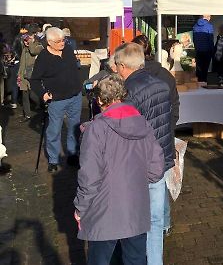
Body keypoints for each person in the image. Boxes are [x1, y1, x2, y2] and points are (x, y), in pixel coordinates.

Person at [74, 74, 164, 265]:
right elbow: (156, 170)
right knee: (136, 260)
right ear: (122, 95)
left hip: (104, 210)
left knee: (101, 260)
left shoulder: (96, 129)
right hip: (136, 209)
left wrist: (80, 208)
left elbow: (89, 177)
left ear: (99, 100)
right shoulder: (143, 123)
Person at [114, 42, 172, 265]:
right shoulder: (161, 84)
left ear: (122, 66)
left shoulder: (128, 91)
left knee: (135, 221)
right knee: (156, 220)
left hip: (138, 163)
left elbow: (124, 131)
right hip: (161, 158)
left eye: (117, 66)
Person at [132, 34, 180, 235]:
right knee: (160, 184)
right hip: (164, 135)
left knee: (146, 184)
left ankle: (149, 223)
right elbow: (175, 106)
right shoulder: (166, 75)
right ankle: (165, 224)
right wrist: (169, 125)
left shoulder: (135, 80)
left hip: (143, 138)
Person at [30, 27, 82, 172]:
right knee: (54, 130)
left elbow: (75, 69)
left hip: (75, 96)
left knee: (74, 128)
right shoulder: (43, 57)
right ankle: (53, 159)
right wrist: (43, 94)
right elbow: (34, 80)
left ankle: (72, 154)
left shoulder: (68, 50)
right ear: (49, 42)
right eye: (58, 41)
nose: (62, 43)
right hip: (57, 100)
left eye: (63, 39)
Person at [18, 33, 43, 120]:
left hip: (33, 75)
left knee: (33, 95)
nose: (26, 42)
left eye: (27, 40)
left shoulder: (39, 46)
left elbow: (33, 51)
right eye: (24, 40)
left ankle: (43, 106)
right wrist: (19, 75)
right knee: (24, 95)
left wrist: (31, 42)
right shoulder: (24, 49)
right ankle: (27, 114)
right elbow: (22, 63)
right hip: (24, 75)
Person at [192, 14, 214, 82]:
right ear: (208, 17)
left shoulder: (195, 26)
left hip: (198, 50)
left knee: (199, 68)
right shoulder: (209, 26)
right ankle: (204, 83)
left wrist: (196, 48)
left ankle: (198, 83)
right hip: (207, 50)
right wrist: (212, 51)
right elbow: (210, 40)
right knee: (205, 69)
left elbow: (194, 39)